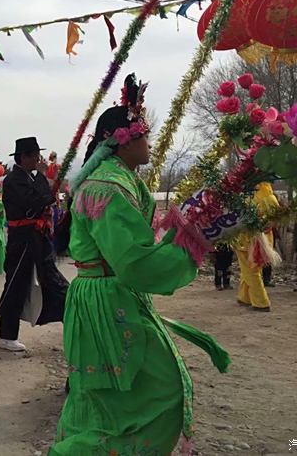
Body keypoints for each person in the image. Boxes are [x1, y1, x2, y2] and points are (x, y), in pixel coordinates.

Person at [51, 74, 228, 455]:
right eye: (144, 135)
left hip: (108, 294)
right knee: (159, 391)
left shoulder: (115, 178)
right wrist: (191, 243)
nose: (149, 142)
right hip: (107, 297)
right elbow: (135, 262)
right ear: (123, 140)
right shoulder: (108, 187)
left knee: (109, 403)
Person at [0, 137, 69, 352]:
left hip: (37, 237)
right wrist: (44, 176)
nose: (39, 159)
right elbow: (38, 201)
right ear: (25, 157)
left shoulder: (29, 176)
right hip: (22, 239)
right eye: (36, 155)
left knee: (52, 279)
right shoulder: (13, 180)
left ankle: (71, 318)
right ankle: (6, 336)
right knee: (15, 285)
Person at [233, 182, 279, 312]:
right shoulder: (271, 198)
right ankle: (244, 297)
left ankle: (261, 302)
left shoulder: (248, 198)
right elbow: (275, 219)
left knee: (250, 271)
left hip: (246, 240)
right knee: (251, 269)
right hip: (265, 240)